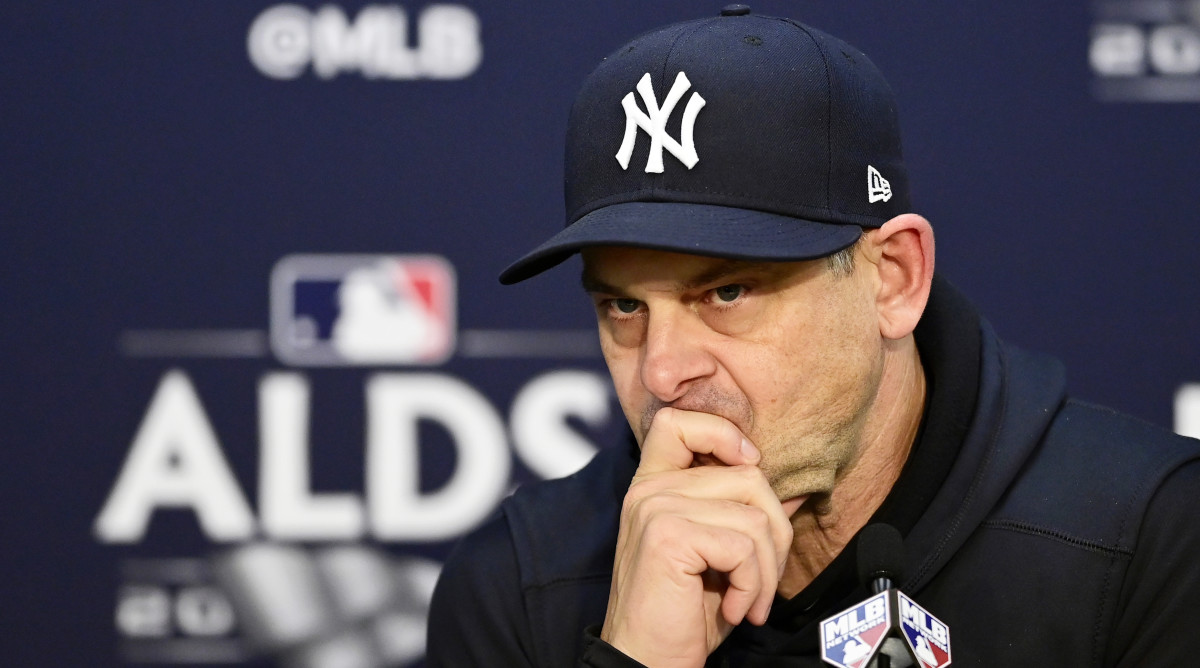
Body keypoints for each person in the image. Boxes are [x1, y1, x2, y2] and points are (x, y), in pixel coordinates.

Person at [427, 7, 1200, 666]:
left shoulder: (1151, 541)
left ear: (892, 278)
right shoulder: (515, 584)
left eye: (728, 292)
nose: (662, 372)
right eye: (624, 308)